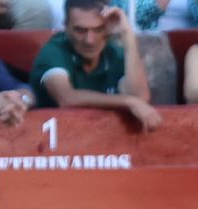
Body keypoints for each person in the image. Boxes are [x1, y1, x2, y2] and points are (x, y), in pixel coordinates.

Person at [30, 0, 161, 131]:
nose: (90, 40)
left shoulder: (113, 52)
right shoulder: (53, 51)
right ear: (65, 27)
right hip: (51, 142)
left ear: (108, 27)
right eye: (80, 30)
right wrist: (128, 101)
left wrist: (127, 36)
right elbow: (67, 98)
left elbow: (140, 98)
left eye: (98, 29)